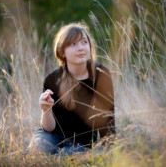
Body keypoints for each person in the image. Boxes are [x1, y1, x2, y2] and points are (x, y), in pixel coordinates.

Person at [28, 23, 115, 156]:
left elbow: (107, 117)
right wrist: (46, 110)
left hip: (80, 144)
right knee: (39, 151)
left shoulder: (100, 74)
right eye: (73, 44)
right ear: (62, 52)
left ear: (89, 47)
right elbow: (48, 128)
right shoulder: (52, 79)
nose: (80, 48)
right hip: (53, 137)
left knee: (62, 158)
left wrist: (108, 150)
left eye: (84, 42)